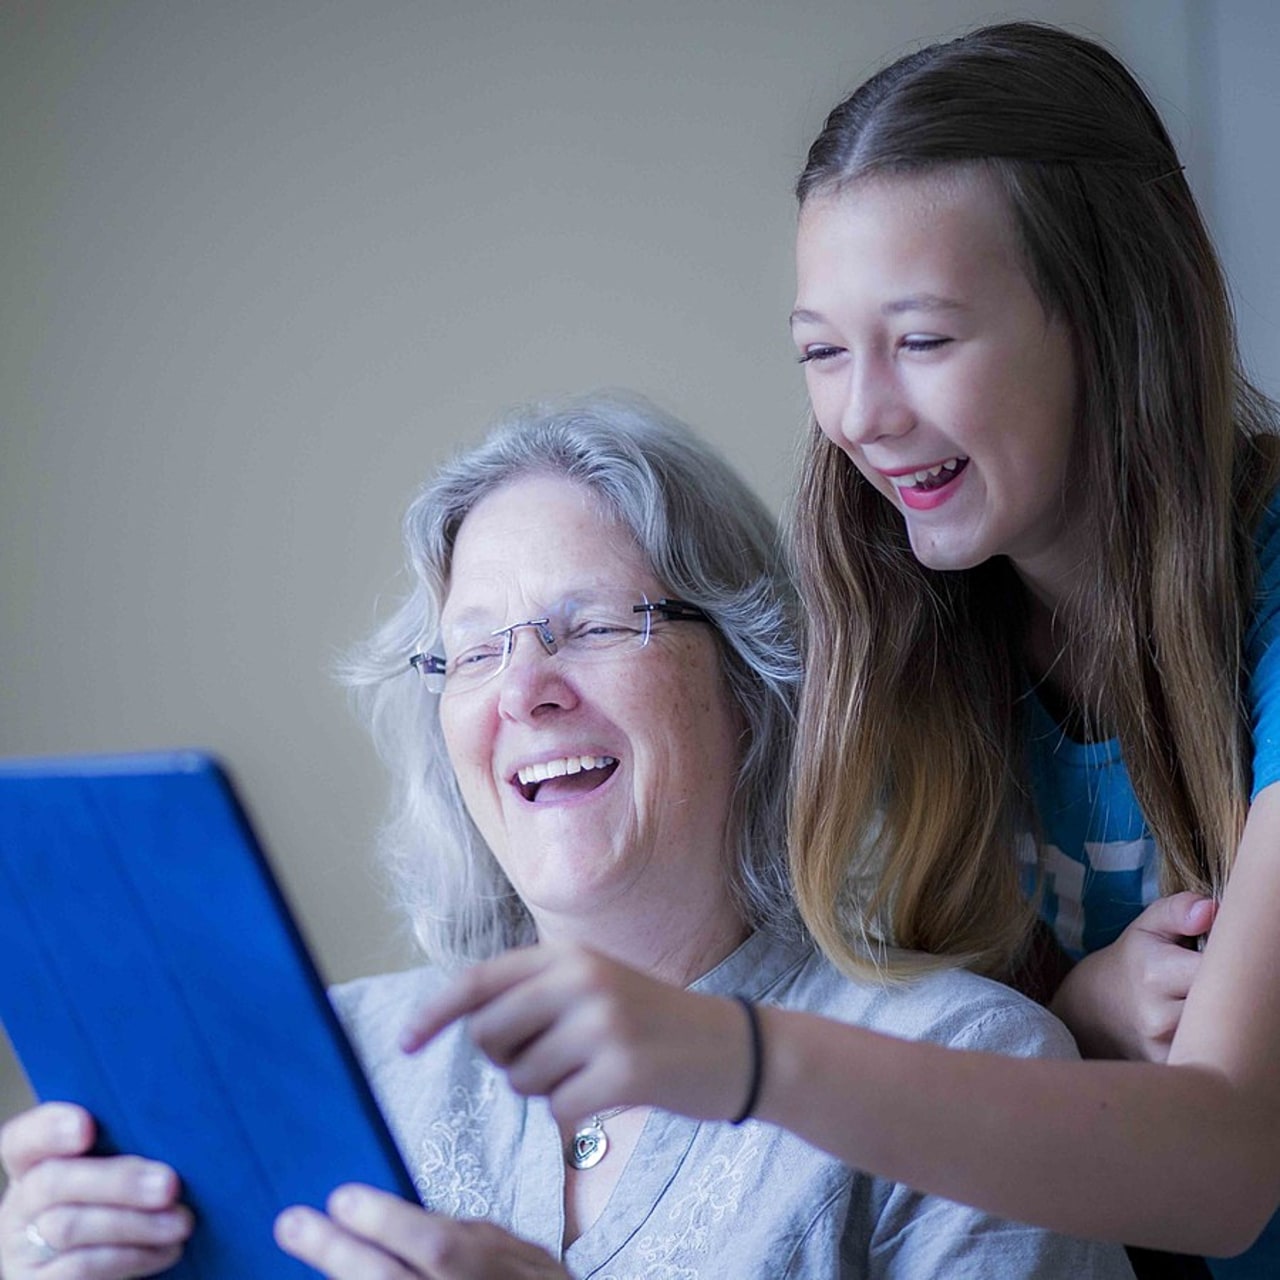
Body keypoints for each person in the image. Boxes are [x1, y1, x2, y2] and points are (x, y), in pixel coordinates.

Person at [400, 23, 1280, 1280]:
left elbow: (1224, 1166)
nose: (860, 416)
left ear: (1113, 320)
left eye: (922, 339)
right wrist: (1065, 1015)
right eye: (821, 349)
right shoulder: (910, 613)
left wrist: (738, 1054)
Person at [0, 393, 1133, 1279]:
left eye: (591, 625)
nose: (523, 690)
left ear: (752, 680)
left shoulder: (969, 1066)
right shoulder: (321, 1058)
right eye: (475, 649)